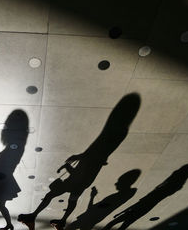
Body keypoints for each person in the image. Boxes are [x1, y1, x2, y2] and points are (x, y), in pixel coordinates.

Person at [18, 93, 141, 230]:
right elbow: (92, 158)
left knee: (52, 195)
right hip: (83, 180)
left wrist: (77, 158)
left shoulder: (116, 133)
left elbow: (93, 156)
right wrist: (73, 163)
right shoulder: (118, 133)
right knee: (72, 199)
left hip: (80, 178)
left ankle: (35, 217)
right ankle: (60, 221)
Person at [102, 162, 188, 230]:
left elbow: (137, 204)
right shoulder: (171, 188)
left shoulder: (161, 190)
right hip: (142, 210)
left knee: (113, 223)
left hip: (138, 209)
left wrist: (121, 213)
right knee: (122, 225)